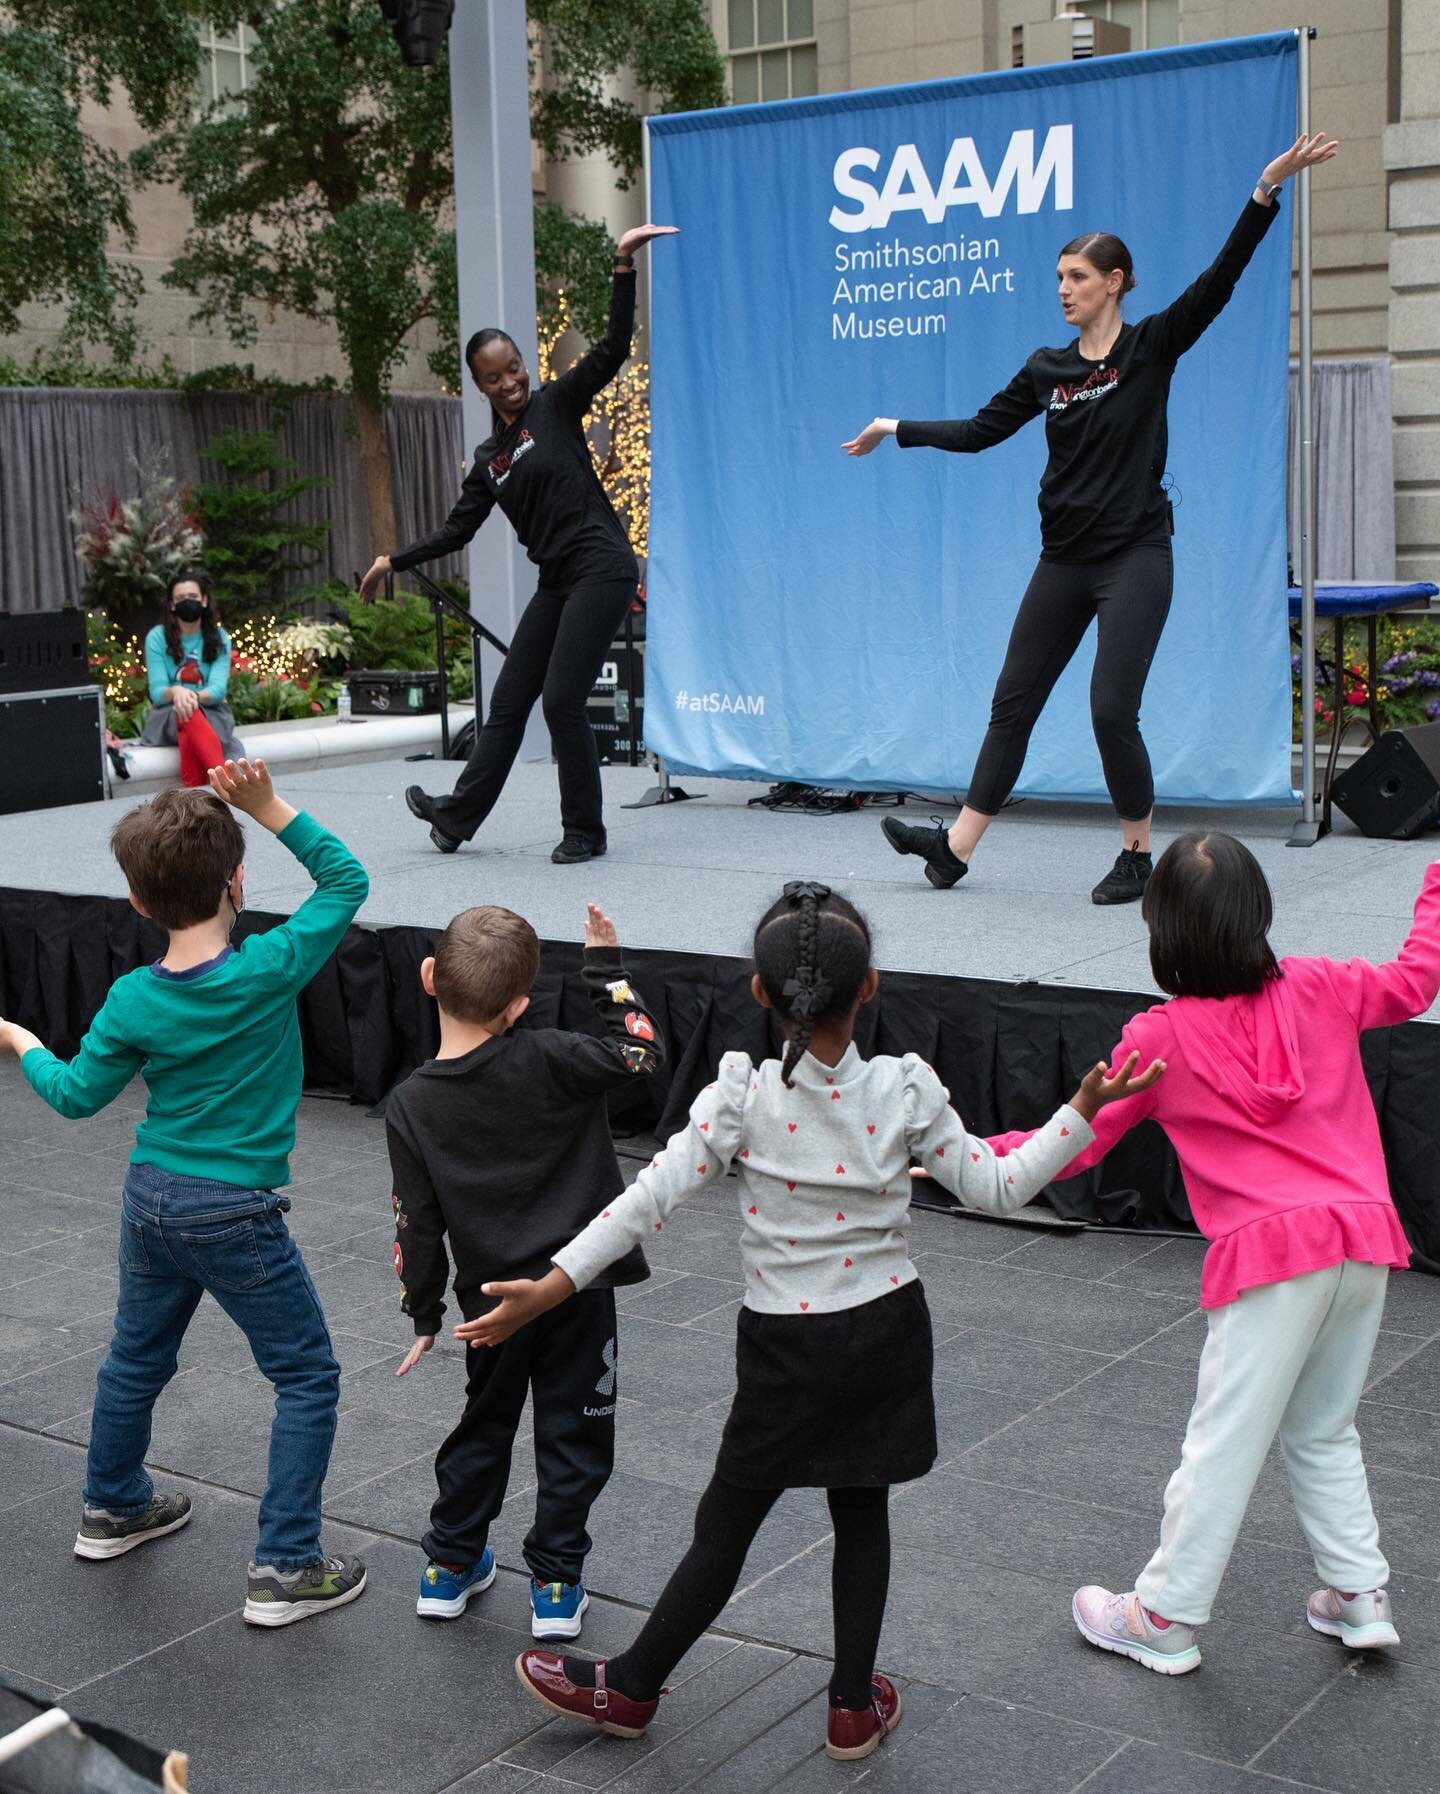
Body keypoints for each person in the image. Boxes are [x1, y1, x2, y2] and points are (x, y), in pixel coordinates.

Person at [460, 880, 1162, 1761]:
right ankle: (850, 1709)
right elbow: (1000, 1186)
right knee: (861, 1512)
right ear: (870, 986)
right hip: (886, 1336)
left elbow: (644, 1200)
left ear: (759, 995)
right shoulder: (907, 1091)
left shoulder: (740, 1099)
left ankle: (634, 1688)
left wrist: (554, 1284)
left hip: (786, 1348)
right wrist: (1079, 1114)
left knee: (728, 1523)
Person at [843, 133, 1340, 906]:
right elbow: (980, 432)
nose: (1064, 288)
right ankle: (954, 849)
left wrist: (1265, 190)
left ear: (1115, 283)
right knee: (1013, 702)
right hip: (1063, 560)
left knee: (1111, 707)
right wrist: (896, 426)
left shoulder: (1151, 348)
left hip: (1135, 554)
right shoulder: (1049, 368)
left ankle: (1138, 854)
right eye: (1059, 277)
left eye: (1077, 277)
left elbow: (1221, 281)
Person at [987, 832, 1438, 1673]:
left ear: (1162, 935)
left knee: (1223, 1443)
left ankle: (1163, 1616)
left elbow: (1072, 1143)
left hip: (1272, 1264)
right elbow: (1416, 980)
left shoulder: (1158, 1040)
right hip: (1363, 1241)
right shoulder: (1325, 986)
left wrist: (966, 1156)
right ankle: (1359, 1594)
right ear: (1257, 913)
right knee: (1323, 1426)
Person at [0, 759, 370, 1628]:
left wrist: (21, 1041)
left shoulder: (132, 998)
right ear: (237, 880)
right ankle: (285, 1566)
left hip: (149, 1198)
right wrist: (267, 804)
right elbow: (345, 879)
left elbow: (75, 1096)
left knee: (135, 1360)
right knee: (307, 1375)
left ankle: (113, 1507)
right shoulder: (273, 965)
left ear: (136, 902)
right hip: (234, 1211)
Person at [385, 900, 665, 1640]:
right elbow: (638, 1053)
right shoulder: (553, 1056)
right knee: (576, 1435)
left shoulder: (410, 1105)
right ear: (519, 1006)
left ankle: (449, 1564)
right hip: (578, 1289)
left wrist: (423, 1313)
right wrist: (606, 969)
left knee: (484, 1425)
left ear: (427, 978)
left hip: (489, 1308)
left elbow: (417, 1224)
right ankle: (555, 1585)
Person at [358, 224, 678, 866]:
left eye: (515, 368)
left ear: (524, 365)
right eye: (494, 377)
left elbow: (615, 347)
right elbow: (457, 531)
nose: (510, 382)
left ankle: (585, 832)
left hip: (603, 568)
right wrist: (394, 560)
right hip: (557, 581)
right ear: (479, 385)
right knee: (506, 704)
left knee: (561, 700)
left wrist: (622, 266)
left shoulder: (557, 404)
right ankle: (455, 819)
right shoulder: (489, 460)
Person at [139, 569, 244, 788]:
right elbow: (158, 692)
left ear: (204, 600)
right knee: (185, 711)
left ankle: (193, 802)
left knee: (187, 728)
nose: (188, 602)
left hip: (213, 714)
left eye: (193, 597)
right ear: (172, 605)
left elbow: (217, 690)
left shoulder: (219, 637)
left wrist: (190, 696)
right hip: (166, 715)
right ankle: (224, 783)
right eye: (181, 599)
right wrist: (176, 692)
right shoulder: (157, 637)